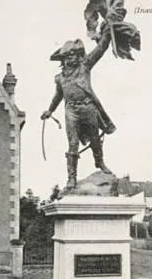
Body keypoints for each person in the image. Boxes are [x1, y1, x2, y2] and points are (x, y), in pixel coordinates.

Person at [41, 27, 116, 189]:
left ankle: (100, 162)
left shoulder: (85, 67)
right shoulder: (60, 78)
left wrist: (108, 34)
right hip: (71, 111)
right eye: (68, 55)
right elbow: (58, 96)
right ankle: (72, 178)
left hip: (88, 108)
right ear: (63, 59)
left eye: (74, 54)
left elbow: (100, 49)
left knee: (95, 139)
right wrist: (50, 110)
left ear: (79, 56)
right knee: (72, 144)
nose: (72, 58)